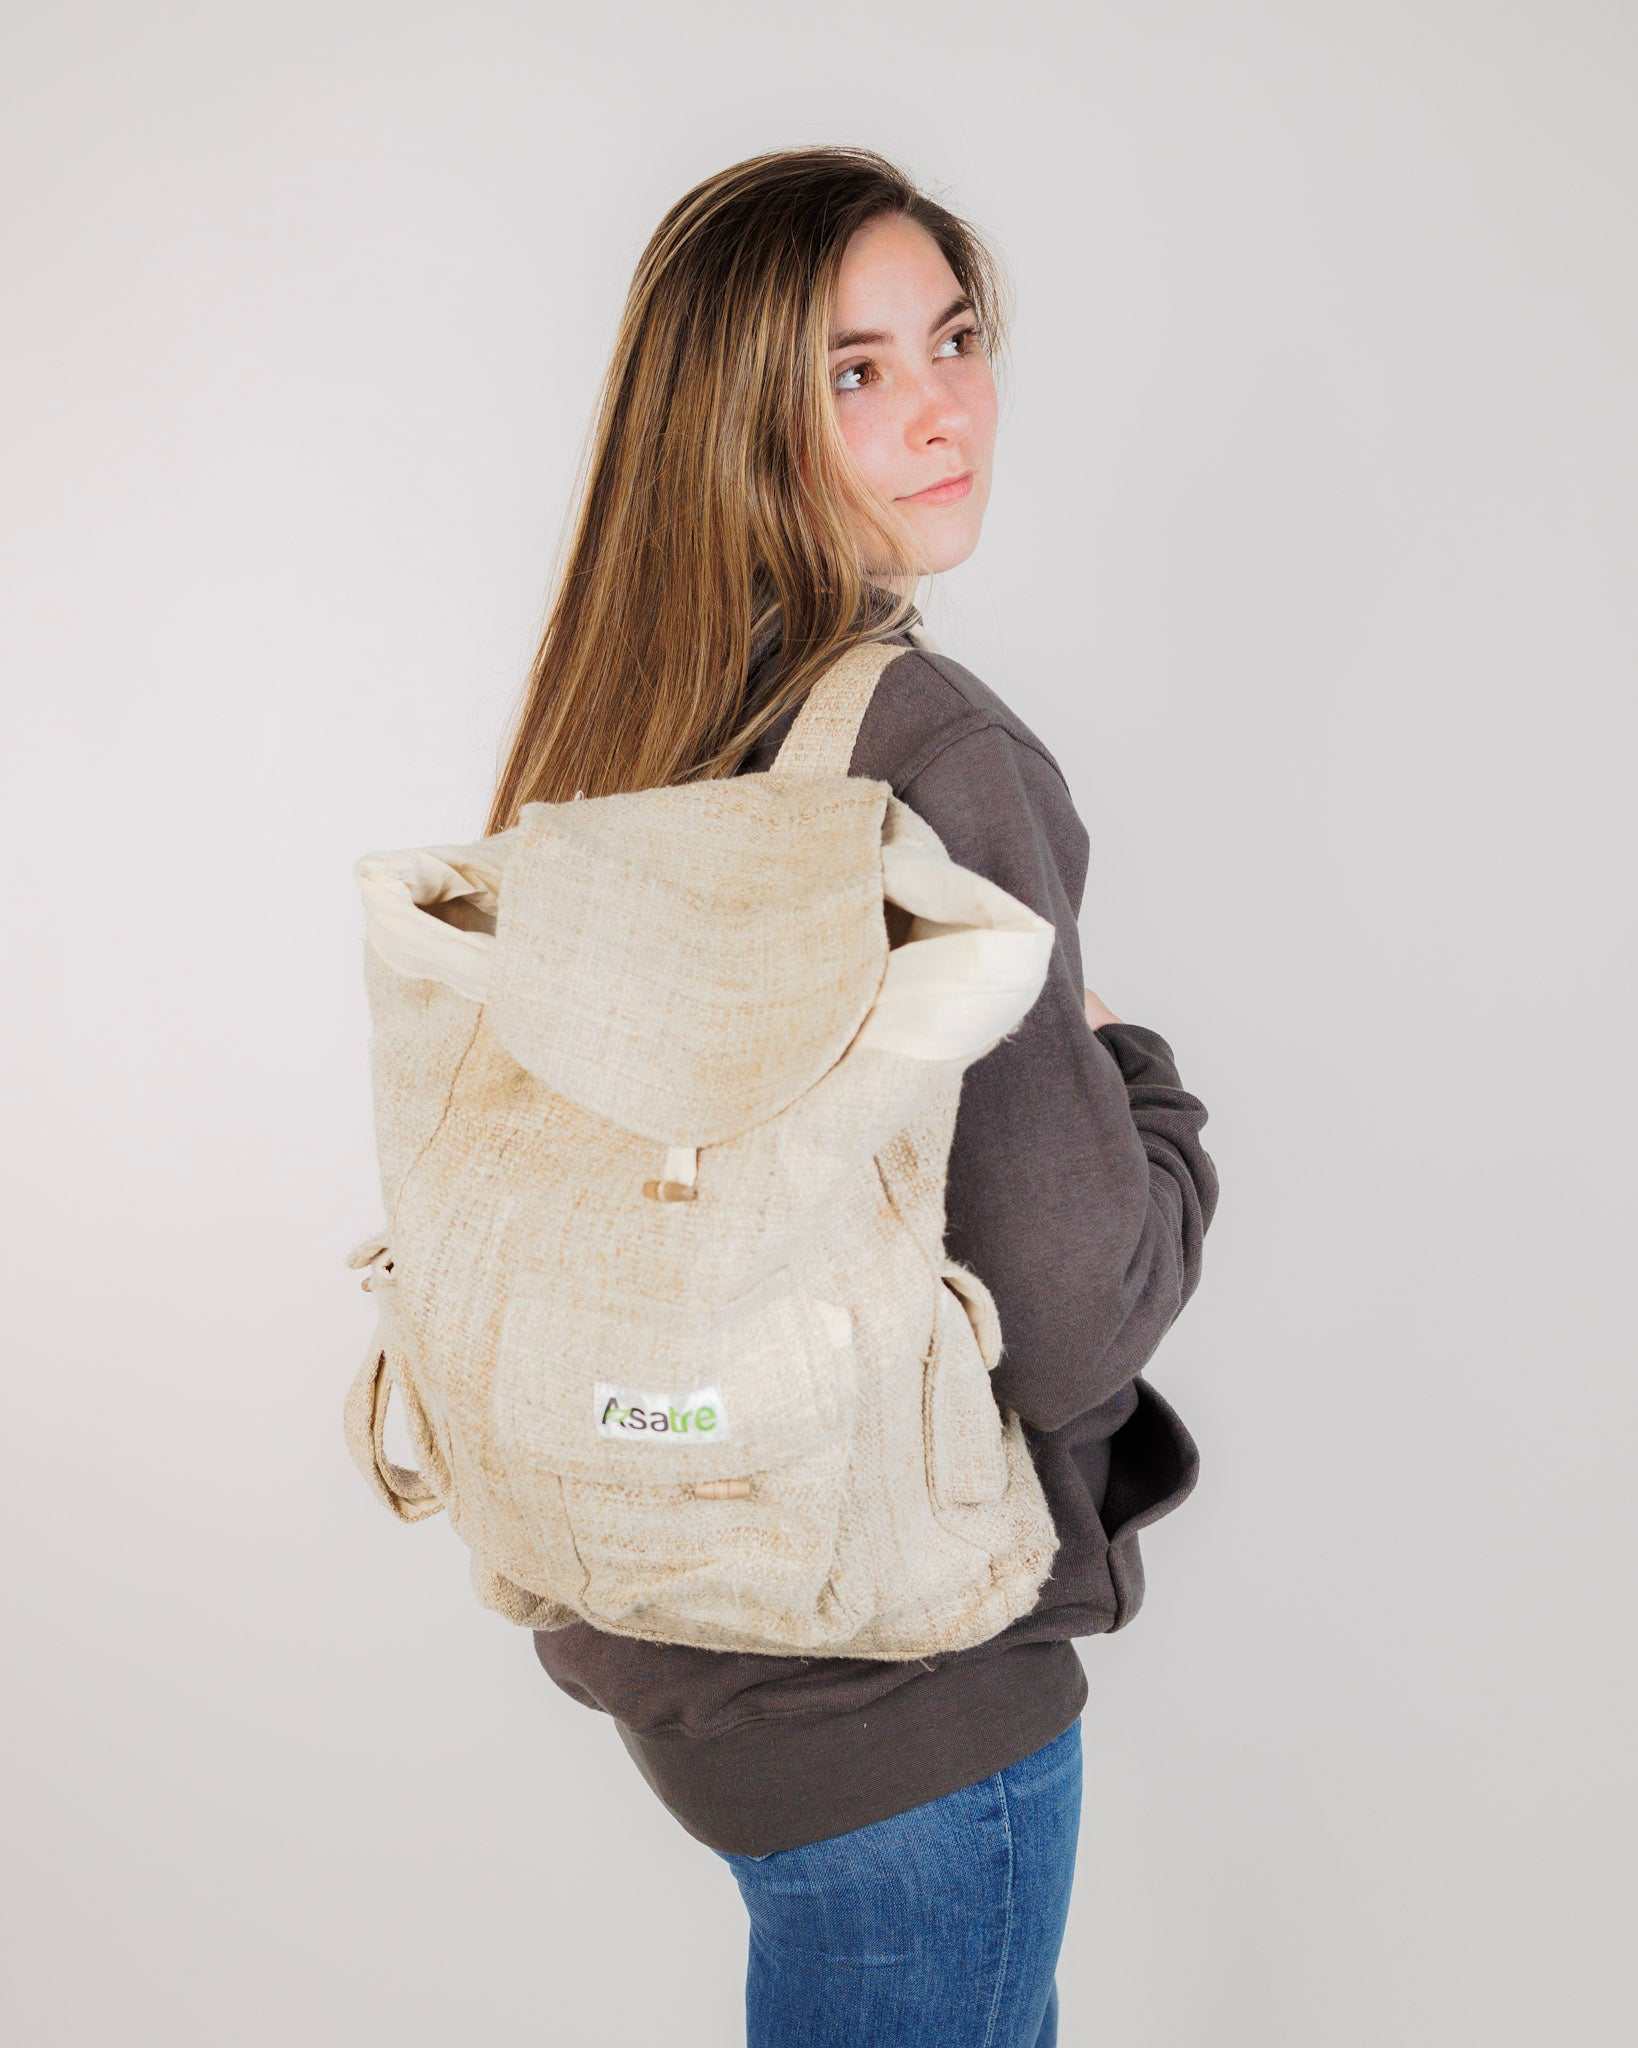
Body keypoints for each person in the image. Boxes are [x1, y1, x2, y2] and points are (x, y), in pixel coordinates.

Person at [481, 145, 1220, 2048]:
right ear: (736, 413)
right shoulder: (927, 749)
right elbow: (1065, 1314)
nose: (941, 404)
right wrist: (1148, 1089)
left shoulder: (627, 719)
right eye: (854, 369)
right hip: (900, 1694)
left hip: (693, 1634)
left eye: (953, 339)